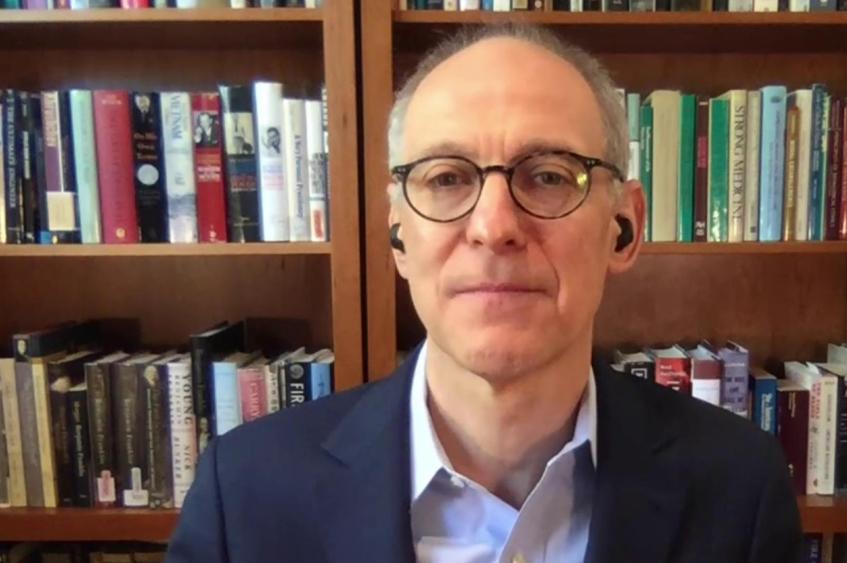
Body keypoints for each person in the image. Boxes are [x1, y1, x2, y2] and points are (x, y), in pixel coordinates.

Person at [166, 24, 803, 563]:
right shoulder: (242, 498)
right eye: (446, 178)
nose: (494, 226)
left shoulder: (739, 487)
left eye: (549, 176)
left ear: (624, 228)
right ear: (397, 235)